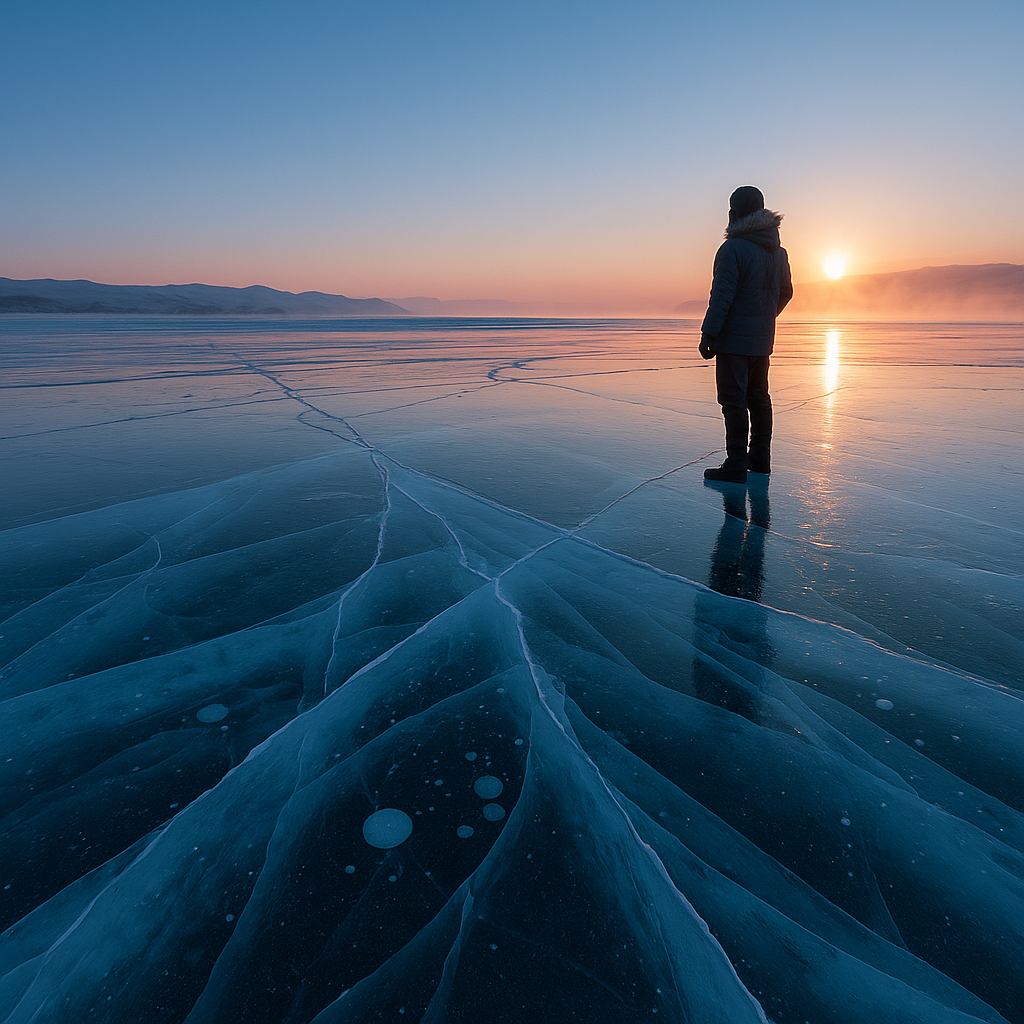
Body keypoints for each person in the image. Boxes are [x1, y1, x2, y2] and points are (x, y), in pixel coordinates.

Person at [699, 186, 793, 483]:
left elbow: (722, 296)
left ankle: (737, 463)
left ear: (734, 213)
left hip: (734, 341)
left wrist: (709, 333)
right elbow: (786, 293)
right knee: (759, 398)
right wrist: (763, 318)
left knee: (734, 400)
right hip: (761, 340)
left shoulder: (733, 249)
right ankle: (760, 460)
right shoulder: (778, 252)